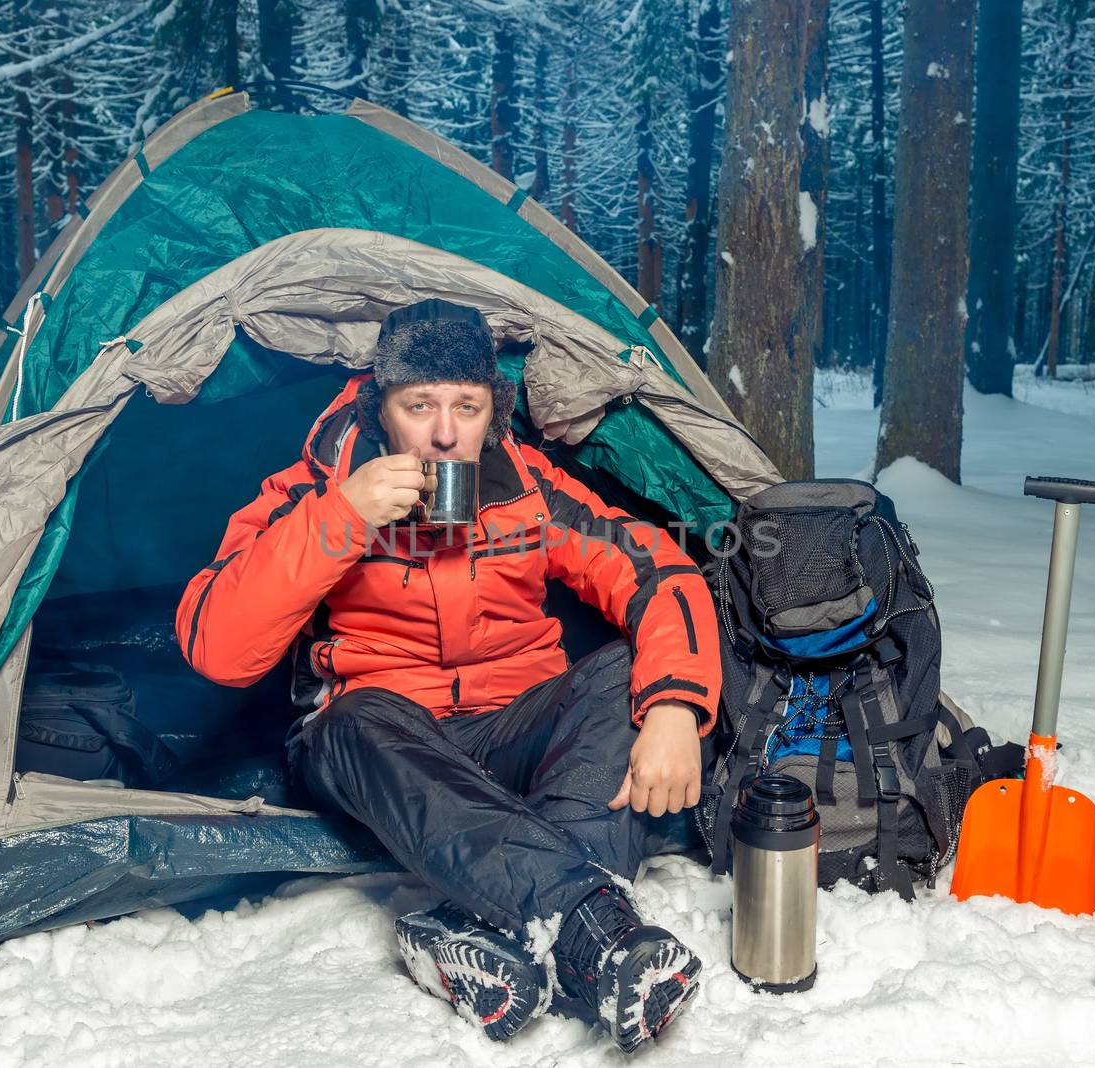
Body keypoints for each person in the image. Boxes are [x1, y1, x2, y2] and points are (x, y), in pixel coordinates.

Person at [175, 298, 721, 1052]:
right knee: (355, 718)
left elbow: (660, 572)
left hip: (512, 723)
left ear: (492, 410)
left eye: (466, 406)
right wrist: (344, 515)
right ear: (379, 406)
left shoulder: (531, 491)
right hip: (383, 738)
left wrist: (673, 711)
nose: (443, 432)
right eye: (419, 404)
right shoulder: (314, 486)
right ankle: (598, 931)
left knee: (631, 671)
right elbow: (215, 644)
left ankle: (467, 930)